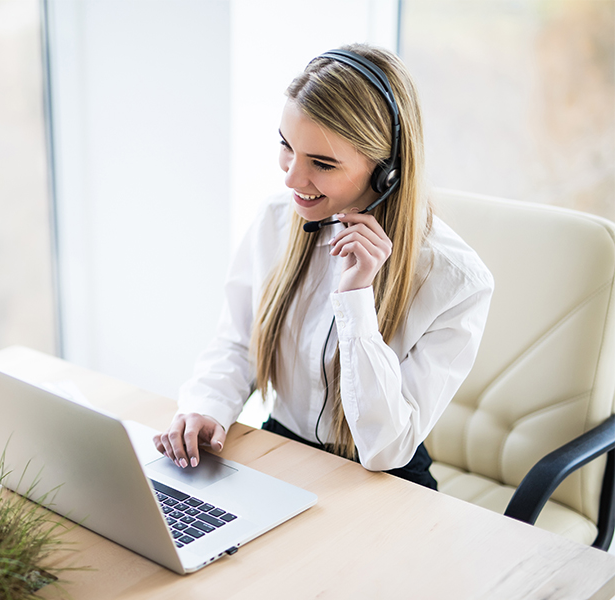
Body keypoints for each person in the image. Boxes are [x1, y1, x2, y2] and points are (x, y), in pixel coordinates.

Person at [152, 43, 494, 489]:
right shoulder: (277, 218)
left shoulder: (457, 283)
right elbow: (239, 342)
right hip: (286, 449)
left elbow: (385, 449)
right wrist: (205, 406)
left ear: (386, 170)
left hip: (384, 480)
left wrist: (356, 302)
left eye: (322, 163)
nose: (292, 178)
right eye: (286, 146)